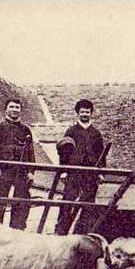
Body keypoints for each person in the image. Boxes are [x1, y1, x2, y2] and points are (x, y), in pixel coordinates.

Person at [55, 99, 106, 235]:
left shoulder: (96, 134)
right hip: (73, 173)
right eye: (82, 112)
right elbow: (63, 153)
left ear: (91, 114)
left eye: (87, 112)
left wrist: (101, 173)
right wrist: (64, 171)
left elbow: (101, 154)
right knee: (68, 202)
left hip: (90, 175)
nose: (85, 114)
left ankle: (81, 234)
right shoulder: (71, 131)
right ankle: (61, 233)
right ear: (78, 113)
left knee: (88, 205)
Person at [0, 98, 35, 229]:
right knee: (0, 200)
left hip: (21, 171)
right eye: (12, 107)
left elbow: (31, 152)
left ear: (21, 110)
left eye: (17, 107)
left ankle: (17, 229)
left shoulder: (25, 129)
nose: (14, 110)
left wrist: (31, 171)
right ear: (6, 109)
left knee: (21, 200)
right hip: (4, 170)